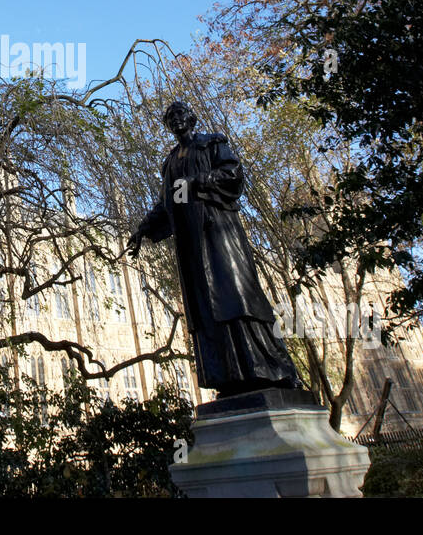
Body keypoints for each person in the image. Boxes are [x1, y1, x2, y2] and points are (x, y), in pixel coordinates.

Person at [127, 101, 300, 395]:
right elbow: (168, 202)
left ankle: (276, 370)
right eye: (170, 118)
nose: (176, 120)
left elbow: (233, 174)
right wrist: (143, 228)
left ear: (191, 118)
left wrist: (199, 180)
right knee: (206, 308)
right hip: (191, 241)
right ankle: (230, 378)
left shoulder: (211, 144)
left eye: (180, 114)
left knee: (238, 298)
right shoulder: (170, 163)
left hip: (218, 232)